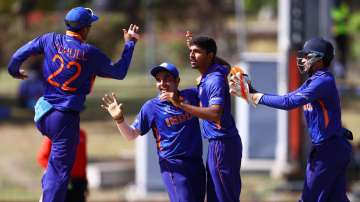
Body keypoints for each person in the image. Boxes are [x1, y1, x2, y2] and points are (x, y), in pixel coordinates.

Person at [7, 6, 140, 202]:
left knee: (54, 167)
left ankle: (46, 192)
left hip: (42, 111)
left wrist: (13, 71)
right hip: (64, 118)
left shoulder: (49, 38)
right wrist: (129, 44)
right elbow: (119, 72)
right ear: (85, 29)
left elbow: (19, 54)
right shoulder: (89, 53)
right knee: (60, 175)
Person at [230, 37, 353, 202]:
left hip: (328, 149)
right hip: (333, 147)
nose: (302, 59)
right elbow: (288, 97)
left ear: (319, 58)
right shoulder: (314, 80)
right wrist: (253, 92)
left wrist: (256, 97)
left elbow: (289, 103)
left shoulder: (323, 81)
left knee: (309, 199)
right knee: (336, 199)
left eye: (306, 56)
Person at [101, 62, 206, 202]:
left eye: (167, 78)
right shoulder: (151, 107)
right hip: (173, 164)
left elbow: (211, 93)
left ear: (177, 81)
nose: (162, 83)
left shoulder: (191, 96)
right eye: (158, 80)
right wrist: (119, 119)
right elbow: (131, 135)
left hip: (196, 161)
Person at [162, 35, 242, 202]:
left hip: (222, 144)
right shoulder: (216, 70)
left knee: (224, 197)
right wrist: (200, 50)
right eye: (190, 51)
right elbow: (226, 65)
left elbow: (215, 113)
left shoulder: (215, 80)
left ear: (210, 55)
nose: (191, 55)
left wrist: (179, 104)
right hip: (219, 144)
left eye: (197, 52)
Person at [38, 128, 88, 202]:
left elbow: (83, 159)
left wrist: (85, 181)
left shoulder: (82, 134)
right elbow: (42, 158)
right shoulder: (55, 133)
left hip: (78, 182)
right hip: (61, 180)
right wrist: (59, 172)